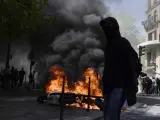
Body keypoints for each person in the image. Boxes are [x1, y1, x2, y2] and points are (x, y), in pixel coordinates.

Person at [100, 17, 141, 120]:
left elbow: (134, 64)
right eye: (105, 27)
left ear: (115, 28)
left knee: (111, 117)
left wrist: (130, 86)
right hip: (108, 88)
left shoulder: (123, 43)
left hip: (118, 88)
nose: (106, 29)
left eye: (109, 27)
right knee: (107, 116)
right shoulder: (108, 47)